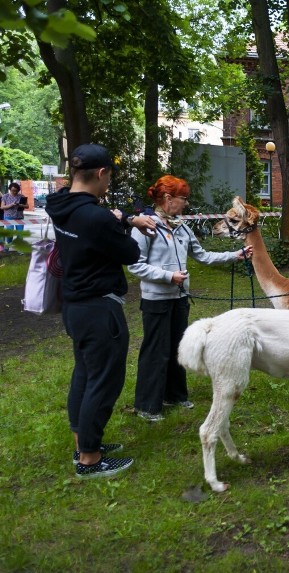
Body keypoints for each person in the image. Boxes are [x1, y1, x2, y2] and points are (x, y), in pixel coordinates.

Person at [45, 143, 157, 479]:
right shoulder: (95, 217)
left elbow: (101, 223)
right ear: (102, 173)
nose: (109, 185)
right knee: (104, 380)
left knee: (85, 373)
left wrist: (121, 217)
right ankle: (90, 459)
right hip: (99, 308)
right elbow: (129, 253)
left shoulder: (60, 204)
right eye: (110, 178)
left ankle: (84, 442)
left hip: (74, 304)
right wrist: (127, 224)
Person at [128, 175, 253, 422]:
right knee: (156, 351)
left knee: (177, 348)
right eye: (182, 198)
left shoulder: (182, 227)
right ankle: (147, 405)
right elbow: (135, 265)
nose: (186, 203)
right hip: (156, 300)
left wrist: (235, 255)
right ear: (167, 198)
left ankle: (174, 395)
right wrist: (167, 276)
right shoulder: (146, 227)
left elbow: (203, 256)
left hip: (179, 298)